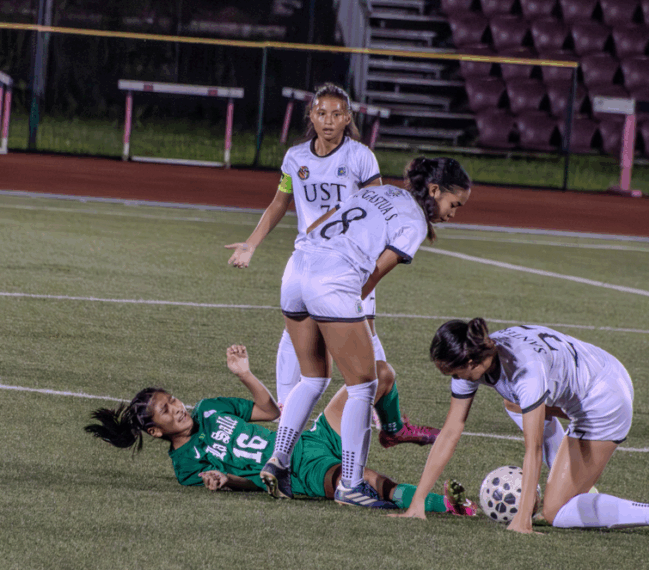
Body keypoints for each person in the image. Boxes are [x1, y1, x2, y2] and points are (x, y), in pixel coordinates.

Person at [224, 83, 439, 448]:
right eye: (321, 113)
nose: (328, 120)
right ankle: (289, 423)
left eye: (337, 114)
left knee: (368, 340)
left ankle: (389, 422)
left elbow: (377, 205)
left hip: (351, 263)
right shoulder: (295, 158)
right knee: (299, 342)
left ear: (347, 118)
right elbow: (279, 203)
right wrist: (251, 243)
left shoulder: (360, 157)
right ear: (311, 115)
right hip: (309, 261)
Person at [259, 156, 472, 508]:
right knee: (364, 384)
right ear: (434, 190)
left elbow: (325, 219)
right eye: (454, 204)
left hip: (297, 267)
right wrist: (342, 308)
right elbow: (373, 275)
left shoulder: (379, 191)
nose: (453, 213)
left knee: (313, 378)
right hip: (332, 279)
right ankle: (351, 484)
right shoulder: (415, 221)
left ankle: (278, 461)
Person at [391, 318, 649, 542]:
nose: (453, 379)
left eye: (452, 372)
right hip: (593, 375)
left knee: (555, 513)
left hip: (605, 398)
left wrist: (523, 517)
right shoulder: (481, 353)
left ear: (470, 362)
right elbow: (450, 431)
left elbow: (533, 448)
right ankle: (576, 485)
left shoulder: (525, 373)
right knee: (513, 403)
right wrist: (418, 502)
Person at [84, 345, 476, 515]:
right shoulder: (185, 465)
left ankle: (392, 430)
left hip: (309, 440)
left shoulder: (209, 408)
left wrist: (244, 374)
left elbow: (270, 411)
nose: (177, 408)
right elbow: (250, 482)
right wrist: (227, 480)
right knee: (367, 482)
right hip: (294, 471)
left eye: (172, 400)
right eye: (167, 412)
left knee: (377, 372)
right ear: (156, 432)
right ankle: (449, 506)